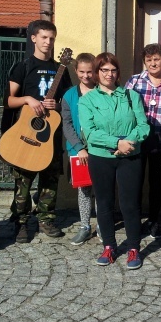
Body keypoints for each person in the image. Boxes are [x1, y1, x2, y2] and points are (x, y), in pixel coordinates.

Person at [78, 53, 150, 270]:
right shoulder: (87, 100)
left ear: (118, 73)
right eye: (104, 70)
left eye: (113, 70)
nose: (109, 74)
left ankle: (134, 248)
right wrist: (116, 143)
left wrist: (129, 141)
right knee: (105, 203)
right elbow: (89, 132)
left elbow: (143, 126)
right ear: (97, 73)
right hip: (101, 158)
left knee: (130, 205)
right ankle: (109, 246)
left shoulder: (131, 96)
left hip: (130, 157)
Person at [6, 20, 72, 243]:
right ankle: (21, 222)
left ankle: (45, 218)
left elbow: (69, 101)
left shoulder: (60, 69)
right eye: (43, 37)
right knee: (23, 181)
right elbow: (8, 100)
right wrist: (27, 99)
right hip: (26, 134)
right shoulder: (23, 67)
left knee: (50, 179)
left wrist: (59, 105)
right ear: (33, 38)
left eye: (51, 38)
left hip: (50, 135)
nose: (48, 42)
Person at [125, 43, 161, 238]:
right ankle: (135, 220)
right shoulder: (134, 82)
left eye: (156, 59)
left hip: (160, 139)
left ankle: (154, 220)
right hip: (138, 138)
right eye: (149, 60)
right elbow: (125, 109)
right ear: (144, 62)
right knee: (136, 181)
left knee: (156, 183)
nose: (153, 63)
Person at [62, 53, 99, 245]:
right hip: (79, 151)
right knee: (84, 189)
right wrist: (78, 147)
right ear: (76, 71)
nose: (86, 76)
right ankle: (85, 225)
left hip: (100, 149)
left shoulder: (102, 91)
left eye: (90, 72)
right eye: (82, 72)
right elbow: (66, 124)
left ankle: (102, 225)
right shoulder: (69, 95)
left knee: (102, 188)